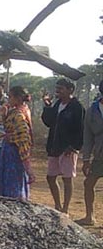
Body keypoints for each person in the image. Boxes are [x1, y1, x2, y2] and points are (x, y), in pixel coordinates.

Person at [41, 78, 85, 213]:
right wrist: (47, 107)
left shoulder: (77, 107)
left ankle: (65, 208)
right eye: (57, 88)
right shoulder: (57, 105)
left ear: (70, 90)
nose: (58, 91)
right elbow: (49, 122)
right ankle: (57, 205)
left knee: (67, 178)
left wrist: (74, 146)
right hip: (54, 147)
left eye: (61, 88)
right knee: (51, 177)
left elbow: (81, 129)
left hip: (68, 149)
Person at [0, 85, 35, 201]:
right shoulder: (20, 110)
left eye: (10, 97)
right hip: (9, 151)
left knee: (13, 182)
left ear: (17, 98)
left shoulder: (18, 115)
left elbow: (22, 137)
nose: (8, 100)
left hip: (14, 152)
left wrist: (10, 137)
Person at [78, 79, 103, 226]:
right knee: (88, 184)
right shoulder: (92, 110)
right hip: (99, 155)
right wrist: (86, 159)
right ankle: (89, 216)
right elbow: (87, 136)